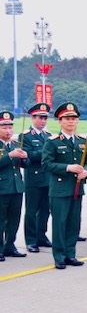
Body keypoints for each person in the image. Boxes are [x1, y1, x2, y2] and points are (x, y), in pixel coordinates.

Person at [42, 102, 87, 269]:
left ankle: (71, 254)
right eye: (67, 119)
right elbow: (46, 164)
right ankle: (60, 256)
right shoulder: (53, 142)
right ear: (60, 121)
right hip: (60, 189)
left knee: (73, 222)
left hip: (77, 188)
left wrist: (86, 172)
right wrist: (68, 168)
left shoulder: (82, 141)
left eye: (74, 119)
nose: (71, 122)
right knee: (60, 223)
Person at [19, 103, 52, 253]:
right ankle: (31, 240)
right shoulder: (25, 136)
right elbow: (28, 156)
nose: (43, 121)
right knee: (32, 210)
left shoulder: (49, 136)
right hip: (34, 178)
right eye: (40, 118)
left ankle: (41, 236)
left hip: (48, 177)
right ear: (33, 118)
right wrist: (44, 152)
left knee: (46, 209)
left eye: (45, 118)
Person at [0, 111, 28, 261]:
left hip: (17, 187)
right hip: (2, 188)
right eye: (4, 127)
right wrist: (9, 155)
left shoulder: (16, 144)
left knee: (14, 219)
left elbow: (25, 165)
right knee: (1, 220)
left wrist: (24, 157)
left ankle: (10, 246)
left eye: (10, 127)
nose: (8, 130)